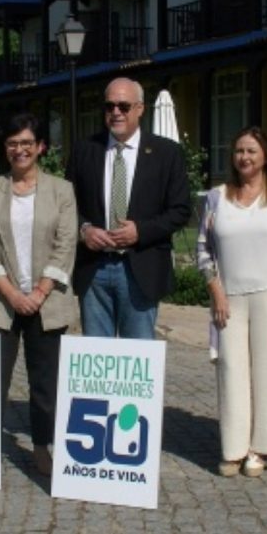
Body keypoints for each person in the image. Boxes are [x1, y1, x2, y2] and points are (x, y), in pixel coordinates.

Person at [0, 113, 77, 476]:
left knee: (45, 382)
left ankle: (42, 446)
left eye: (27, 143)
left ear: (40, 147)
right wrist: (13, 294)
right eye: (13, 143)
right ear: (6, 148)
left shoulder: (61, 190)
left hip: (48, 300)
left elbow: (66, 244)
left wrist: (39, 291)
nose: (20, 150)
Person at [197, 127, 267, 478]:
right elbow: (203, 250)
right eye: (239, 150)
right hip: (230, 297)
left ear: (265, 155)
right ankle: (233, 448)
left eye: (252, 150)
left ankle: (258, 448)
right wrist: (216, 291)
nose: (245, 157)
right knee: (231, 371)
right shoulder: (216, 197)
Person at [66, 77, 191, 339]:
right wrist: (84, 229)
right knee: (96, 357)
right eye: (109, 106)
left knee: (137, 355)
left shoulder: (167, 153)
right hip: (94, 269)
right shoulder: (84, 150)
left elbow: (180, 210)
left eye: (123, 106)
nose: (116, 113)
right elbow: (65, 205)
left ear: (140, 108)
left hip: (140, 268)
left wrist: (141, 231)